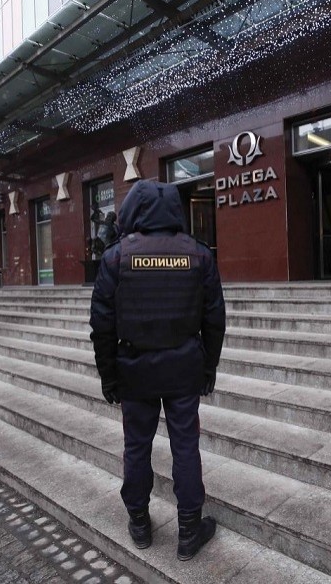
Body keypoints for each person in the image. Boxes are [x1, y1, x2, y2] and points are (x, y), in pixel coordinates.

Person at [89, 179, 226, 561]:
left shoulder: (117, 257)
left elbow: (102, 323)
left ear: (133, 210)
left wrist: (108, 375)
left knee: (136, 447)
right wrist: (208, 366)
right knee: (185, 447)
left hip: (135, 370)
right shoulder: (199, 255)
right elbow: (215, 318)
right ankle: (188, 531)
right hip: (183, 368)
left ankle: (139, 523)